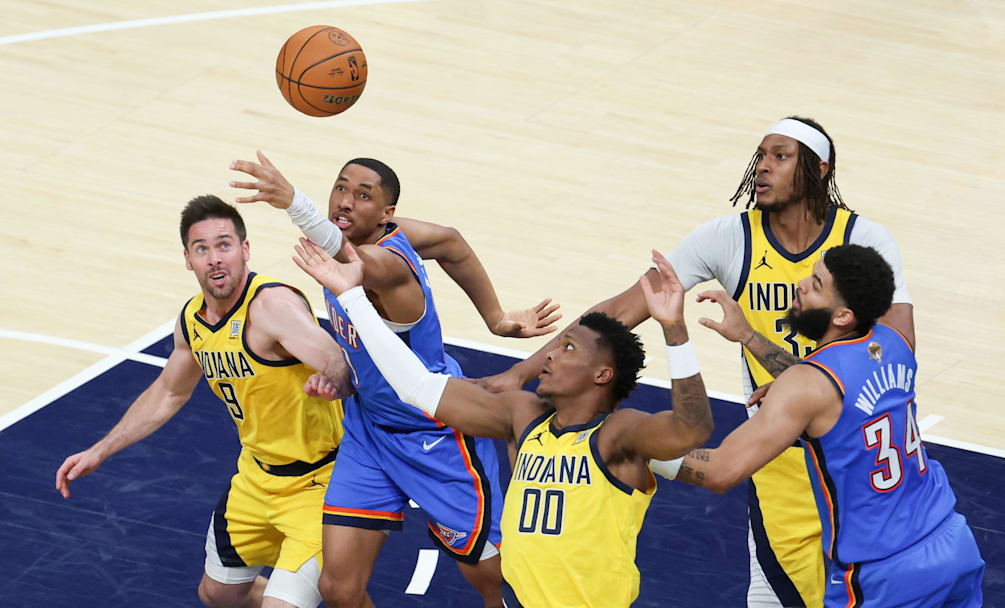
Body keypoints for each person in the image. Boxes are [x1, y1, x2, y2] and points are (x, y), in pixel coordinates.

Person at [484, 116, 914, 607]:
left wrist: (769, 360)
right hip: (772, 456)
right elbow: (621, 310)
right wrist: (522, 370)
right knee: (772, 593)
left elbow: (893, 355)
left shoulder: (862, 243)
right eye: (760, 156)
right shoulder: (728, 239)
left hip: (852, 456)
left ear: (818, 169)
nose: (763, 168)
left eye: (779, 156)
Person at [294, 239, 714, 607]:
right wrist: (352, 298)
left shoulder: (616, 435)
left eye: (567, 348)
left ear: (601, 374)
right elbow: (415, 385)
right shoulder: (522, 416)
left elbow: (691, 430)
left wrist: (674, 329)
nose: (548, 354)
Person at [228, 154, 558, 608]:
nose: (345, 201)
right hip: (370, 432)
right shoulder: (387, 232)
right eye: (341, 187)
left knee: (496, 576)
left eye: (364, 196)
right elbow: (451, 242)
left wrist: (292, 202)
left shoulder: (387, 266)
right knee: (338, 589)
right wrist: (496, 317)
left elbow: (345, 255)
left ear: (386, 213)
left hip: (436, 431)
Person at [55, 196, 351, 608]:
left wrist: (333, 380)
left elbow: (341, 363)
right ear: (188, 259)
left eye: (224, 245)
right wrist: (99, 450)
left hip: (320, 483)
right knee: (218, 596)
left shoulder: (272, 308)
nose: (215, 259)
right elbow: (168, 392)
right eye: (202, 249)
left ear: (245, 250)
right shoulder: (192, 321)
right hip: (255, 479)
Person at [663, 244, 984, 607]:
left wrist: (634, 450)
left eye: (816, 283)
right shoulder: (895, 340)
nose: (800, 284)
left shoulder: (806, 386)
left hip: (885, 576)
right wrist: (749, 336)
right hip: (952, 542)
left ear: (844, 315)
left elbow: (721, 471)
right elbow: (835, 387)